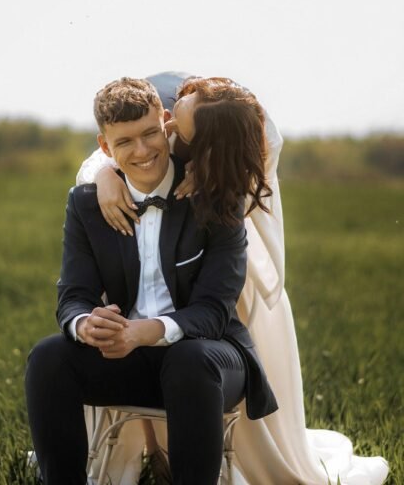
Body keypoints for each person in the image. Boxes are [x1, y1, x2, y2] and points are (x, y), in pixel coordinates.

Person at [78, 72, 389, 485]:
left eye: (178, 129)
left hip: (219, 273)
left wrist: (209, 179)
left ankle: (221, 462)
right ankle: (150, 450)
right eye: (173, 116)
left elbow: (232, 217)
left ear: (209, 145)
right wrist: (103, 175)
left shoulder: (249, 144)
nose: (169, 130)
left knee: (201, 360)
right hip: (153, 264)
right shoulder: (180, 108)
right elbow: (110, 150)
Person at [25, 77, 278, 485]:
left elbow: (214, 312)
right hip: (128, 358)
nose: (142, 151)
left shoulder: (216, 196)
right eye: (124, 142)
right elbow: (73, 295)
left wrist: (147, 331)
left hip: (209, 359)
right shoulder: (86, 204)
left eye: (149, 134)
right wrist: (85, 324)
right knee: (48, 358)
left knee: (188, 360)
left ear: (165, 122)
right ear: (105, 149)